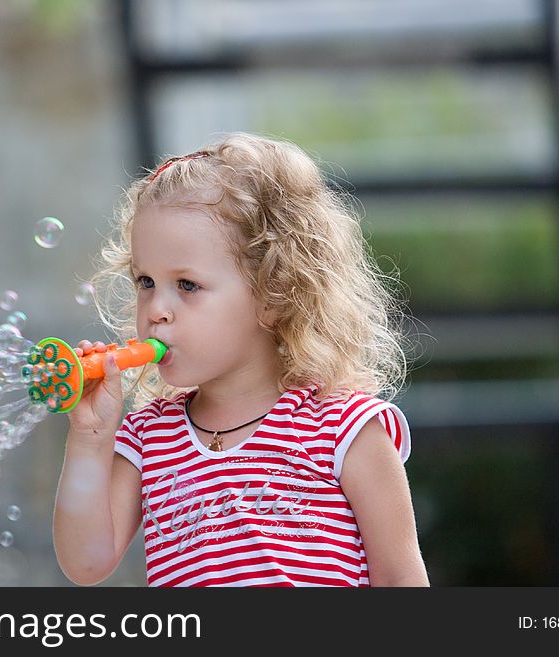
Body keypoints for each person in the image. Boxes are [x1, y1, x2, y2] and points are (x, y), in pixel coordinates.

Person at [53, 132, 430, 587]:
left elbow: (401, 579)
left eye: (187, 285)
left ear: (274, 293)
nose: (156, 309)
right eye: (145, 281)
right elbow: (86, 563)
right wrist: (90, 438)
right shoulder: (149, 436)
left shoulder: (344, 428)